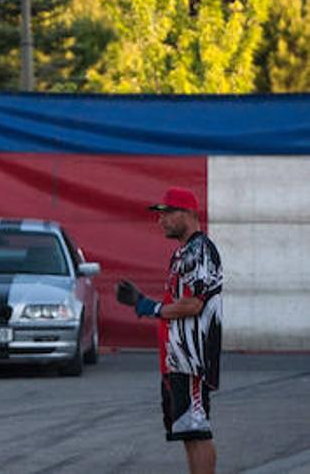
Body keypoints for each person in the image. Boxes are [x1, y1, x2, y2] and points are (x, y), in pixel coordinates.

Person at [117, 186, 223, 474]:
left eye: (166, 213)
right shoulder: (183, 253)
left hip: (191, 359)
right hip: (177, 358)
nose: (160, 220)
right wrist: (144, 303)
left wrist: (148, 307)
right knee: (188, 433)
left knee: (197, 431)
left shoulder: (199, 250)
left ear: (187, 213)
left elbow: (193, 305)